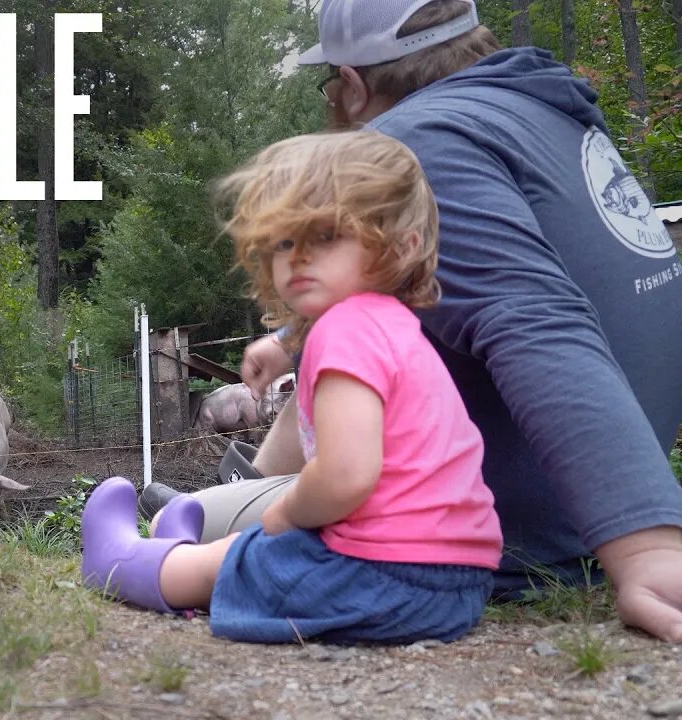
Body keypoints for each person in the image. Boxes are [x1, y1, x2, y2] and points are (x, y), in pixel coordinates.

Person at [139, 0, 682, 643]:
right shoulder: (535, 117)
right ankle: (251, 487)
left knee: (183, 527)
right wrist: (289, 340)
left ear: (354, 85)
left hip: (492, 529)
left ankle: (230, 508)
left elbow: (535, 323)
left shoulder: (412, 151)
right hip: (578, 486)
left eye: (331, 87)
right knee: (343, 337)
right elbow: (418, 279)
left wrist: (649, 549)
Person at [82, 130, 503, 644]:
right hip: (459, 582)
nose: (297, 257)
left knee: (246, 554)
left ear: (401, 247)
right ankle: (177, 543)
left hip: (380, 579)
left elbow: (345, 476)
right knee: (260, 544)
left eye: (325, 236)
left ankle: (118, 563)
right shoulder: (391, 323)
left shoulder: (344, 331)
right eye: (284, 241)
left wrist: (286, 513)